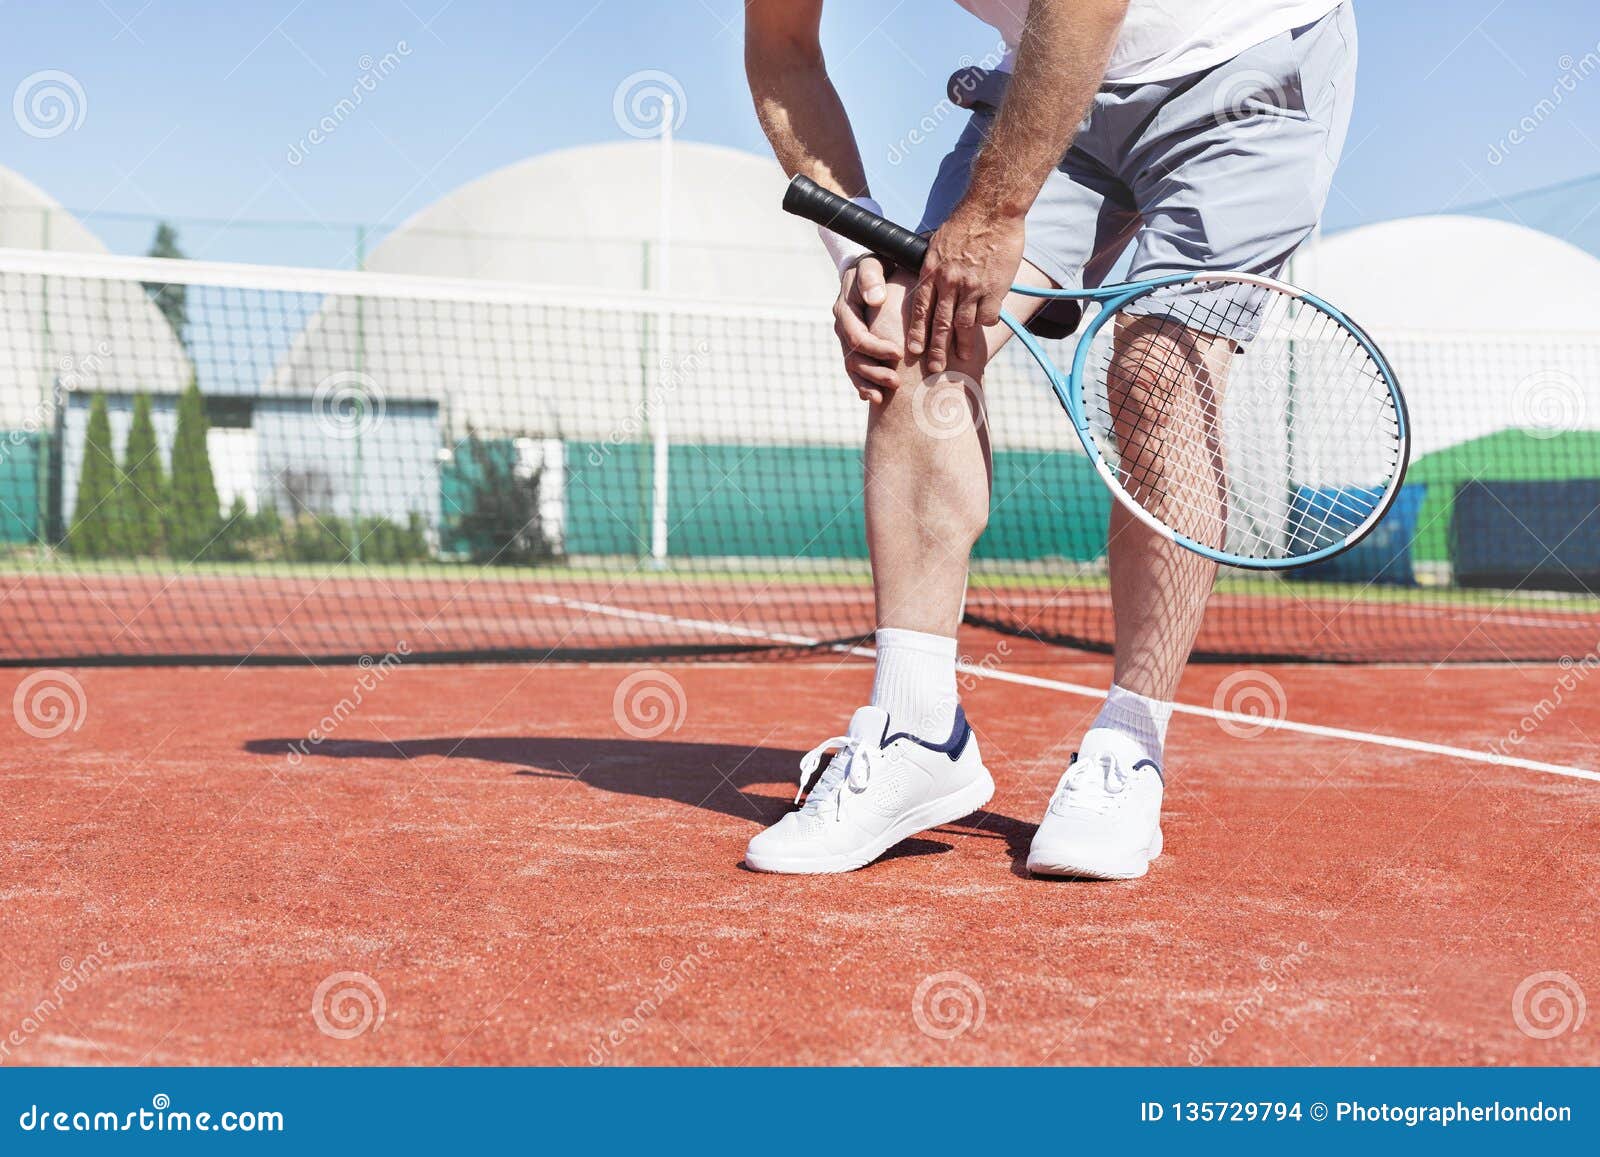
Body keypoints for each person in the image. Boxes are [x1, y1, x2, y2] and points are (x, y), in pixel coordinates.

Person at [742, 0, 1355, 878]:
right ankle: (918, 732)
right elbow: (783, 48)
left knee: (1155, 371)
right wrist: (857, 252)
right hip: (1053, 75)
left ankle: (1129, 746)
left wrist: (993, 212)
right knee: (913, 336)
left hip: (1249, 59)